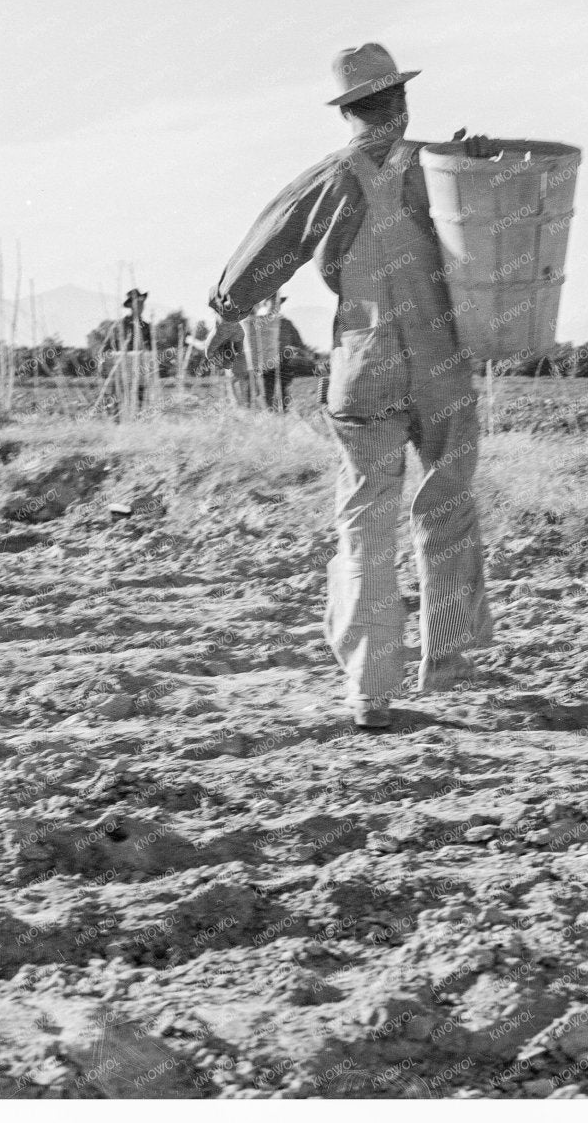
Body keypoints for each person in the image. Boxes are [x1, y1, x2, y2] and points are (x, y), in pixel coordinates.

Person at [211, 44, 495, 731]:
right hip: (442, 367)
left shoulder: (329, 178)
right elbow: (502, 213)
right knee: (447, 509)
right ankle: (450, 666)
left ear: (348, 112)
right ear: (401, 102)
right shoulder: (442, 167)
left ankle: (370, 687)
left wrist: (225, 312)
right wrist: (477, 160)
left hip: (363, 368)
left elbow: (254, 269)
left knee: (366, 518)